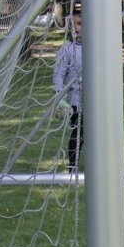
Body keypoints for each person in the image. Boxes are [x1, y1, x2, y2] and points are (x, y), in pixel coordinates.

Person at [52, 11, 83, 172]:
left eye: (79, 24)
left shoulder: (97, 46)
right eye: (73, 24)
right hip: (76, 99)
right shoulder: (67, 48)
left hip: (96, 99)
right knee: (80, 131)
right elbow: (59, 73)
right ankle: (73, 166)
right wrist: (59, 94)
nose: (76, 28)